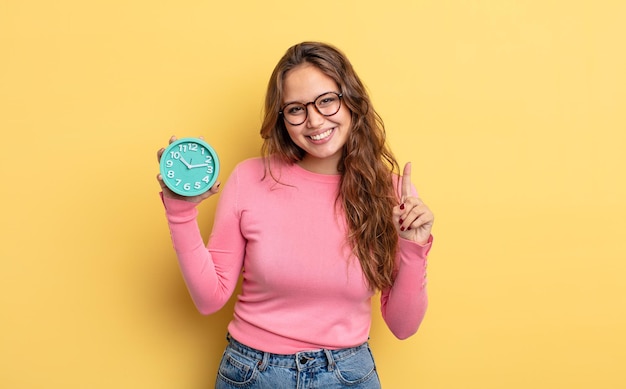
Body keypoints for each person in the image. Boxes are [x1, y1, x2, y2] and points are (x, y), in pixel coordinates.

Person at [156, 41, 434, 389]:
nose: (314, 120)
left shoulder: (391, 193)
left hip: (347, 375)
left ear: (351, 100)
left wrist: (412, 247)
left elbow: (402, 326)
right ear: (282, 118)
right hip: (252, 373)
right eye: (296, 109)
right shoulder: (249, 179)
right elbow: (210, 298)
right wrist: (180, 210)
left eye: (326, 100)